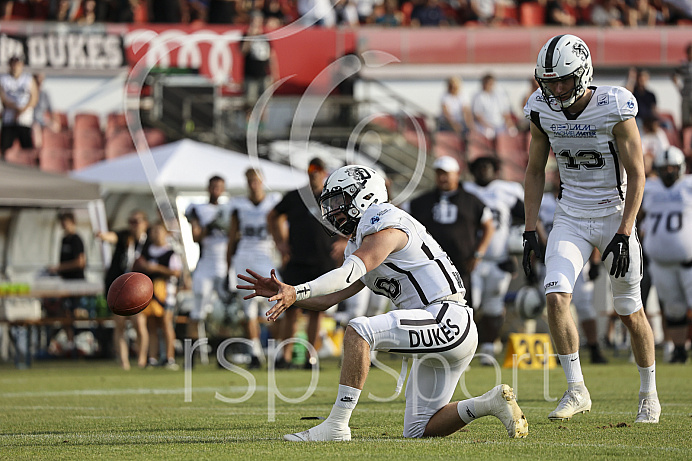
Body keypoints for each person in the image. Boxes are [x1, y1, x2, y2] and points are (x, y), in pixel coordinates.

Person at [239, 165, 528, 441]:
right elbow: (329, 298)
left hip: (446, 317)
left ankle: (337, 425)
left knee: (359, 330)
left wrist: (297, 290)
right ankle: (488, 404)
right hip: (440, 324)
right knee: (418, 428)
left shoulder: (384, 218)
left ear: (364, 195)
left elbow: (346, 274)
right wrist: (286, 294)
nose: (333, 210)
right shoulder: (362, 239)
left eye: (339, 200)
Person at [523, 34, 660, 423]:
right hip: (570, 215)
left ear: (582, 74)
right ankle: (576, 389)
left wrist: (624, 230)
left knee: (630, 311)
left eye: (562, 80)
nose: (555, 88)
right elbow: (534, 170)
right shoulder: (540, 108)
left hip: (614, 214)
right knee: (555, 297)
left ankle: (649, 394)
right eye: (548, 81)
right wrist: (530, 228)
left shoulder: (614, 105)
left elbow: (637, 173)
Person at [267, 158, 333, 368]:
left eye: (318, 170)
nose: (314, 173)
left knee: (317, 311)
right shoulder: (296, 196)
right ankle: (285, 356)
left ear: (324, 172)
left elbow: (352, 219)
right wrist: (280, 242)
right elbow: (273, 216)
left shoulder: (331, 196)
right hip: (297, 259)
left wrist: (344, 240)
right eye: (311, 169)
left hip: (322, 260)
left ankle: (310, 357)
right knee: (291, 308)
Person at [537, 167, 608, 364]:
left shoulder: (581, 198)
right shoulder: (544, 202)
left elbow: (593, 230)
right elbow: (537, 230)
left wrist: (594, 261)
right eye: (557, 174)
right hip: (550, 258)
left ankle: (594, 348)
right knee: (554, 305)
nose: (560, 178)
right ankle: (563, 352)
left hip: (578, 259)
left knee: (585, 307)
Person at [407, 156, 495, 313]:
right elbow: (401, 217)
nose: (442, 178)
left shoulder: (471, 201)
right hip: (429, 264)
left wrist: (478, 253)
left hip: (462, 265)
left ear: (457, 174)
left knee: (463, 307)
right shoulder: (421, 201)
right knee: (429, 307)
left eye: (446, 173)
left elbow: (489, 226)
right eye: (439, 173)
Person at [464, 156, 524, 365]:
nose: (483, 171)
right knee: (469, 305)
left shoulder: (508, 190)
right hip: (472, 260)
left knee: (493, 306)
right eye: (479, 167)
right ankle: (464, 351)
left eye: (487, 167)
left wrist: (514, 252)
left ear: (496, 170)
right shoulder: (465, 191)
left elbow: (525, 218)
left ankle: (488, 349)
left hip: (499, 259)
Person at [640, 146, 692, 363]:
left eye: (672, 167)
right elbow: (639, 215)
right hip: (660, 263)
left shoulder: (688, 185)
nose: (668, 171)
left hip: (688, 261)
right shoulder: (650, 188)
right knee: (674, 309)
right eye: (664, 168)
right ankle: (679, 350)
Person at [227, 168, 282, 369]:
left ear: (263, 181)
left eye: (256, 180)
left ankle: (276, 352)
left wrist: (283, 252)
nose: (253, 184)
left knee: (275, 306)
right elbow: (231, 237)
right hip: (243, 257)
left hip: (266, 256)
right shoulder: (238, 205)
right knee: (248, 309)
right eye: (250, 180)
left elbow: (280, 232)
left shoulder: (273, 202)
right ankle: (255, 353)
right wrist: (228, 267)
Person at [97, 210, 150, 370]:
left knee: (139, 324)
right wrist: (102, 235)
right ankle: (124, 362)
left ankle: (141, 359)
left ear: (145, 223)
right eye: (131, 221)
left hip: (139, 289)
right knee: (119, 325)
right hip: (120, 288)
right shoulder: (124, 237)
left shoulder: (148, 242)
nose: (133, 225)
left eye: (137, 221)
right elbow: (112, 237)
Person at [185, 175, 230, 364]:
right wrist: (211, 224)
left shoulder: (230, 208)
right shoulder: (198, 209)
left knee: (226, 313)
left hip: (224, 266)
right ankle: (191, 356)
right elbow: (196, 237)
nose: (216, 190)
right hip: (205, 265)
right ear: (208, 187)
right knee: (197, 311)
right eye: (213, 186)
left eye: (219, 186)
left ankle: (223, 355)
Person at [135, 221, 183, 370]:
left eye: (158, 231)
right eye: (153, 231)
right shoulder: (145, 251)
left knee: (166, 323)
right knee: (152, 325)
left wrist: (157, 268)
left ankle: (169, 357)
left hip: (165, 292)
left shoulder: (171, 253)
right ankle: (153, 357)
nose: (155, 234)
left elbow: (176, 272)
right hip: (149, 292)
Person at [48, 211, 87, 353]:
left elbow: (81, 262)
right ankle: (70, 345)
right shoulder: (64, 239)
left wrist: (59, 268)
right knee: (64, 313)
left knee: (76, 313)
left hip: (76, 283)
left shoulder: (77, 239)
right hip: (64, 282)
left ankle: (82, 343)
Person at [241, 12, 279, 119]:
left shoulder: (265, 37)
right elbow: (243, 51)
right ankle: (248, 129)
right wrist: (250, 36)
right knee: (249, 104)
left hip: (264, 74)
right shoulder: (245, 36)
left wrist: (275, 73)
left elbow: (272, 56)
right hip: (250, 74)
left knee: (264, 104)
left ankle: (262, 129)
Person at [0, 55, 38, 160]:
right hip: (9, 119)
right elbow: (3, 98)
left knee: (27, 149)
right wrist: (15, 108)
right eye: (13, 64)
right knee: (5, 148)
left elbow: (34, 98)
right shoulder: (3, 79)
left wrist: (23, 109)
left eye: (17, 64)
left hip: (24, 119)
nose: (15, 67)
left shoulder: (28, 79)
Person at [471, 74, 517, 147]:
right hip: (485, 126)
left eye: (491, 83)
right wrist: (488, 126)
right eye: (487, 83)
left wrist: (509, 124)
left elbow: (505, 113)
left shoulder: (499, 95)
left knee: (513, 132)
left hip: (500, 125)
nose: (489, 85)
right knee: (489, 133)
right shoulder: (478, 96)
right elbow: (478, 116)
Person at [438, 77, 473, 143]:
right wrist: (454, 125)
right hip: (447, 124)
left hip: (460, 123)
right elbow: (446, 113)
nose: (453, 88)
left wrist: (470, 125)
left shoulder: (463, 95)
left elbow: (466, 111)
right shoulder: (444, 96)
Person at [32, 72, 60, 150]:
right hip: (32, 120)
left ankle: (54, 149)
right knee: (36, 128)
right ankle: (39, 151)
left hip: (42, 119)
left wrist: (55, 120)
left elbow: (51, 109)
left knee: (55, 127)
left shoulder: (45, 94)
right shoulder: (29, 93)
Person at [672, 42, 692, 130]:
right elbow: (674, 74)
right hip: (686, 95)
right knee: (685, 120)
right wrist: (679, 87)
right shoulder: (684, 65)